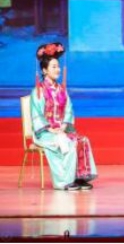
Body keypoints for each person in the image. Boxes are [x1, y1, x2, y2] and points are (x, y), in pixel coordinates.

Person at [30, 42, 97, 191]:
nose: (58, 69)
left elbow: (68, 109)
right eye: (54, 67)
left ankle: (79, 177)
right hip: (45, 133)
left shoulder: (62, 90)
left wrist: (65, 125)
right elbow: (36, 114)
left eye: (58, 66)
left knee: (82, 140)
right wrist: (50, 129)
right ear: (44, 70)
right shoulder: (38, 91)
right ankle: (64, 182)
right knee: (66, 142)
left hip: (61, 129)